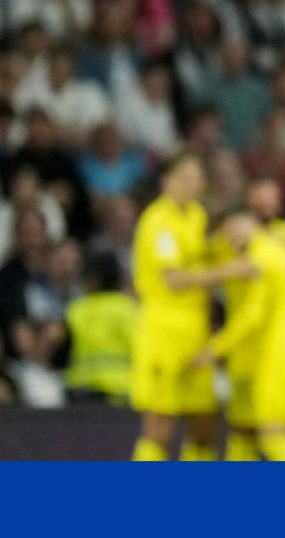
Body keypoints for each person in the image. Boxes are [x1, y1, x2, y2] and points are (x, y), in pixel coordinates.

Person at [193, 212, 285, 461]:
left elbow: (253, 315)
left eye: (235, 228)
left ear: (252, 225)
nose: (231, 237)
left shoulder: (262, 256)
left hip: (283, 351)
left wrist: (215, 348)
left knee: (273, 431)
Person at [130, 153, 231, 461]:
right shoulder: (158, 221)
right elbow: (174, 278)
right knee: (159, 425)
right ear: (167, 181)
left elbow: (204, 256)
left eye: (197, 179)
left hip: (196, 333)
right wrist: (228, 271)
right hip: (163, 333)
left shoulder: (198, 215)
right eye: (184, 178)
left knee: (203, 426)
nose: (192, 185)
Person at [63, 252, 136, 404]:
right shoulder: (128, 309)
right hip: (121, 392)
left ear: (93, 279)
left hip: (80, 392)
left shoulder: (76, 309)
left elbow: (61, 351)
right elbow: (139, 349)